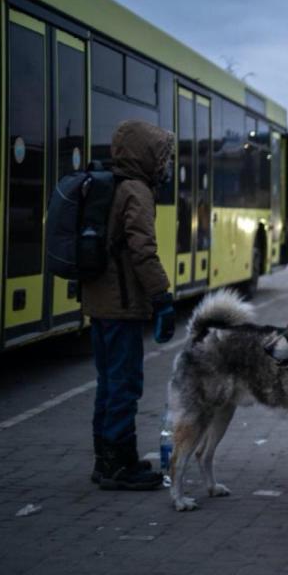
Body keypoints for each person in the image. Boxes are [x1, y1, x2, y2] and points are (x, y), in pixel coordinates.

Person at [82, 119, 176, 491]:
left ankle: (105, 461)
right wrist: (162, 296)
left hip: (100, 302)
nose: (164, 164)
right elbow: (143, 250)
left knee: (108, 384)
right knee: (125, 384)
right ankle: (120, 465)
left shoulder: (109, 184)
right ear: (145, 153)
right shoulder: (136, 190)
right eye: (161, 155)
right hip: (121, 303)